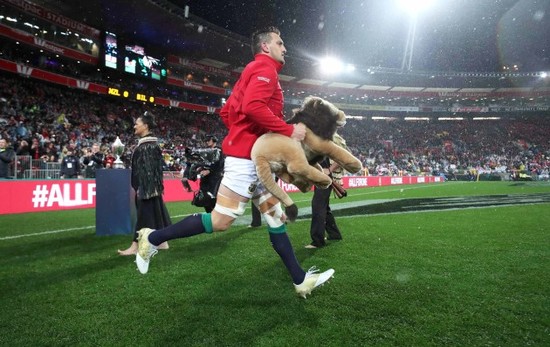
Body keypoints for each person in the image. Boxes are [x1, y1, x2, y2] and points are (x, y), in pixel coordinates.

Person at [134, 27, 334, 299]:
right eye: (280, 42)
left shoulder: (252, 70)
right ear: (265, 46)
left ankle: (300, 281)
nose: (284, 48)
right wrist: (286, 131)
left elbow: (228, 111)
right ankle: (152, 238)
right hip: (246, 161)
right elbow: (252, 107)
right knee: (220, 221)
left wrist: (243, 135)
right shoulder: (265, 69)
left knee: (276, 218)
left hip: (253, 157)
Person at [118, 112, 170, 255]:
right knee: (156, 213)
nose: (134, 126)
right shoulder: (149, 144)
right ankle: (163, 242)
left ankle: (135, 246)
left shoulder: (147, 145)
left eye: (137, 123)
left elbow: (148, 169)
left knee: (143, 216)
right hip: (150, 187)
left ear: (145, 126)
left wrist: (144, 188)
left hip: (146, 188)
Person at [306, 133, 349, 249]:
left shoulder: (331, 136)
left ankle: (317, 240)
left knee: (318, 206)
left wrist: (329, 169)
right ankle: (334, 234)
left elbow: (343, 156)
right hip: (322, 176)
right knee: (324, 207)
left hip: (328, 177)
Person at [190, 135, 224, 213]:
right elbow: (204, 162)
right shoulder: (207, 150)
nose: (207, 142)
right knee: (204, 197)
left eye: (209, 140)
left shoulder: (218, 150)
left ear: (214, 140)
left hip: (214, 178)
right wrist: (200, 168)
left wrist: (209, 171)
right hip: (205, 178)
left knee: (212, 197)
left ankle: (216, 216)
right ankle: (209, 215)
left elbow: (219, 164)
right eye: (206, 140)